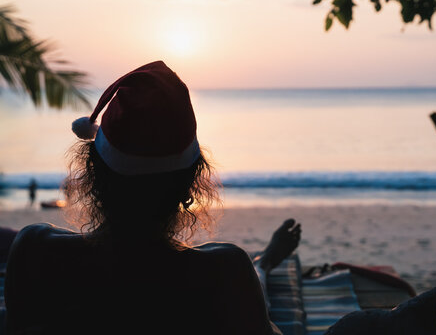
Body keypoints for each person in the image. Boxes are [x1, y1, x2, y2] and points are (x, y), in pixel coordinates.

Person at [4, 61, 301, 334]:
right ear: (191, 188)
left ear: (92, 175)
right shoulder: (225, 271)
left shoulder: (35, 251)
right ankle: (266, 262)